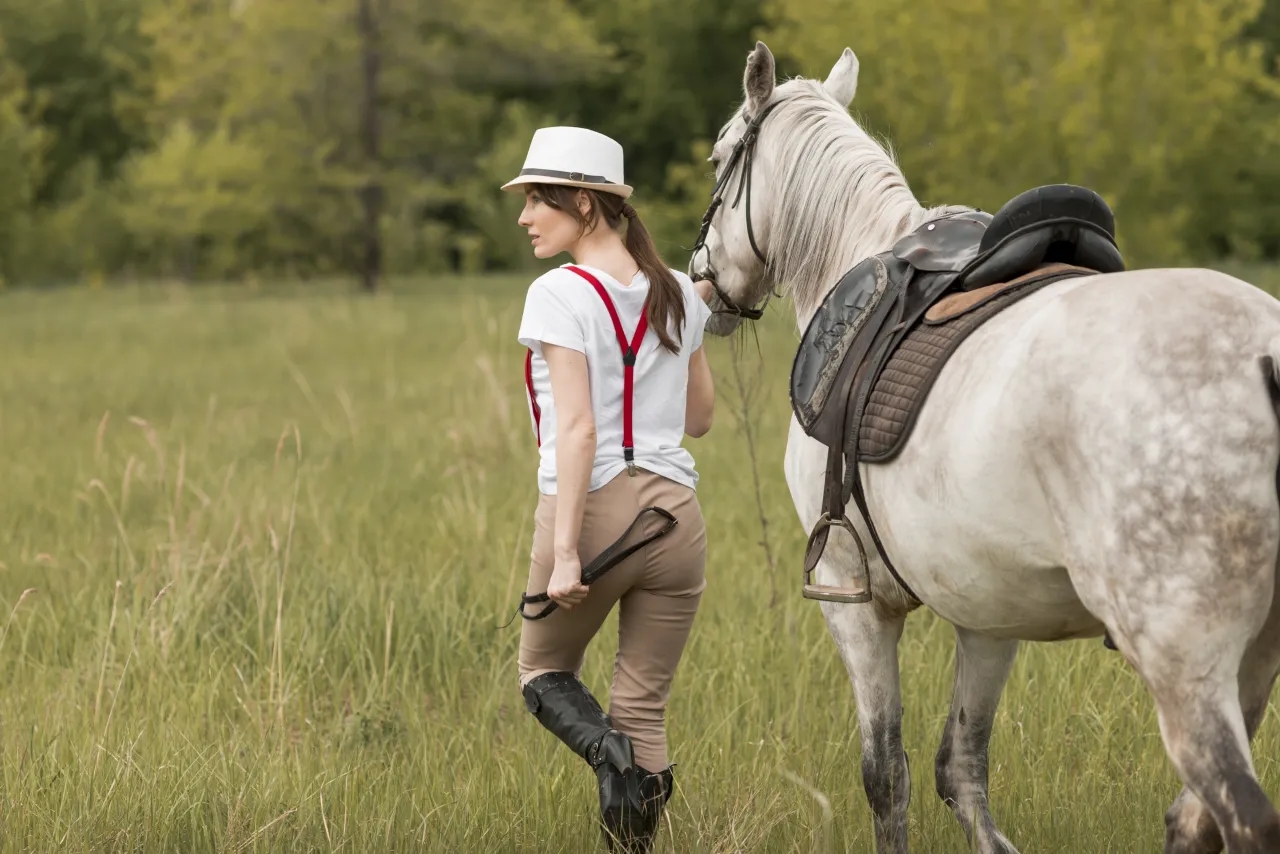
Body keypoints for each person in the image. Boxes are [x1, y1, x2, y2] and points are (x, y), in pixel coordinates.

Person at [502, 126, 715, 853]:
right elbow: (701, 417)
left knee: (542, 671)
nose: (527, 215)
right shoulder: (681, 292)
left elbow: (580, 433)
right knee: (642, 710)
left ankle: (605, 755)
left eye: (539, 199)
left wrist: (566, 553)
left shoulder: (557, 293)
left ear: (586, 204)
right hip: (676, 518)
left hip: (594, 511)